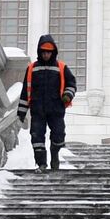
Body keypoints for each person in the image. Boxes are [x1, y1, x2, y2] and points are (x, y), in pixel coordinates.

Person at [15, 34, 76, 170]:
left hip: (56, 110)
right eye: (44, 52)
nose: (46, 55)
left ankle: (55, 156)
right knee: (37, 137)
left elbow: (71, 84)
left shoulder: (61, 67)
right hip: (37, 110)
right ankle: (41, 163)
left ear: (53, 52)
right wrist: (21, 113)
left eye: (48, 52)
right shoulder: (32, 69)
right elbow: (26, 91)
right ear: (39, 52)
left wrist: (67, 95)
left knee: (59, 135)